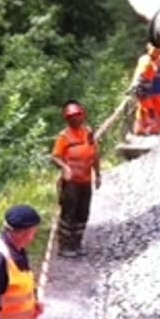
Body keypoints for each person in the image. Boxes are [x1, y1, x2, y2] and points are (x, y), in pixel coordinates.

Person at [50, 101, 101, 257]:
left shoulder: (88, 133)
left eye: (77, 115)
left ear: (82, 115)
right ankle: (64, 246)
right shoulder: (63, 137)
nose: (75, 119)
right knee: (68, 214)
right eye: (71, 117)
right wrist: (65, 168)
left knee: (83, 212)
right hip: (71, 183)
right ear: (66, 119)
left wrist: (98, 174)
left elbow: (95, 154)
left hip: (86, 181)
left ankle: (77, 244)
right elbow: (54, 157)